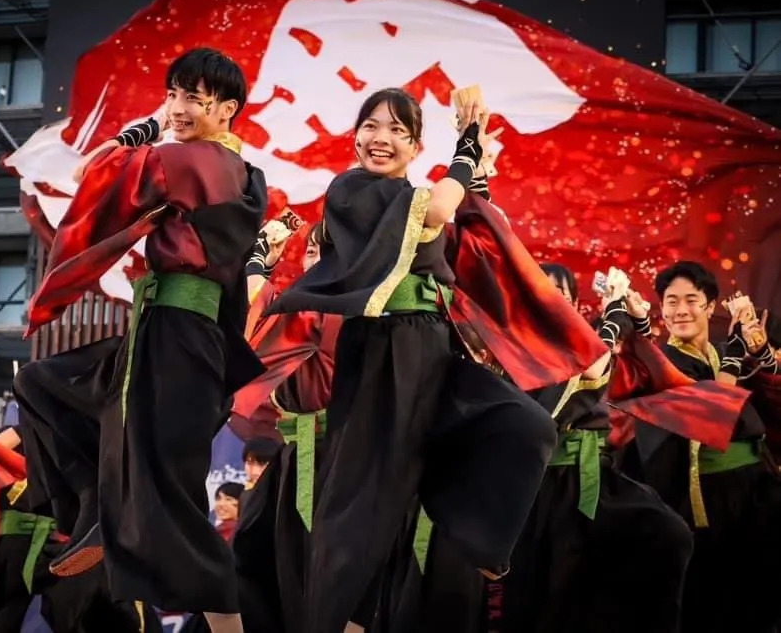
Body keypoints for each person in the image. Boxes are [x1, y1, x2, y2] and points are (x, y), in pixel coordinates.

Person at [267, 87, 606, 633]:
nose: (381, 139)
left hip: (435, 349)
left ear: (415, 145)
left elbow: (472, 235)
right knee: (363, 514)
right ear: (355, 137)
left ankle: (480, 538)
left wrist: (477, 164)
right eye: (371, 126)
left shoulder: (411, 196)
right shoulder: (352, 191)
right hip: (381, 354)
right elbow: (440, 207)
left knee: (526, 425)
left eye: (397, 130)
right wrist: (466, 148)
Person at [19, 47, 268, 633]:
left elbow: (90, 174)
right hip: (172, 335)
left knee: (175, 504)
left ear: (227, 109)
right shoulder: (236, 169)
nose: (177, 107)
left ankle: (107, 515)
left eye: (193, 98)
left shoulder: (192, 159)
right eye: (172, 94)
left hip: (176, 338)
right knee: (43, 383)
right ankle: (99, 509)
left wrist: (146, 128)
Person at [476, 263, 693, 633]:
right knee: (546, 598)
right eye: (544, 291)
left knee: (667, 534)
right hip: (544, 487)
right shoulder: (517, 352)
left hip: (595, 477)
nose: (553, 300)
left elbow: (640, 375)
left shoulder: (586, 343)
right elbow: (574, 383)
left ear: (575, 305)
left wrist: (636, 320)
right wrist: (612, 318)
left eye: (562, 294)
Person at [640, 261, 781, 632]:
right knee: (712, 597)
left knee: (760, 593)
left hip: (757, 484)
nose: (681, 310)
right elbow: (712, 416)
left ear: (711, 306)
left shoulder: (722, 353)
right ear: (661, 309)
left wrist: (760, 352)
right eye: (671, 302)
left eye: (691, 300)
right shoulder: (660, 364)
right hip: (707, 494)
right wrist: (734, 358)